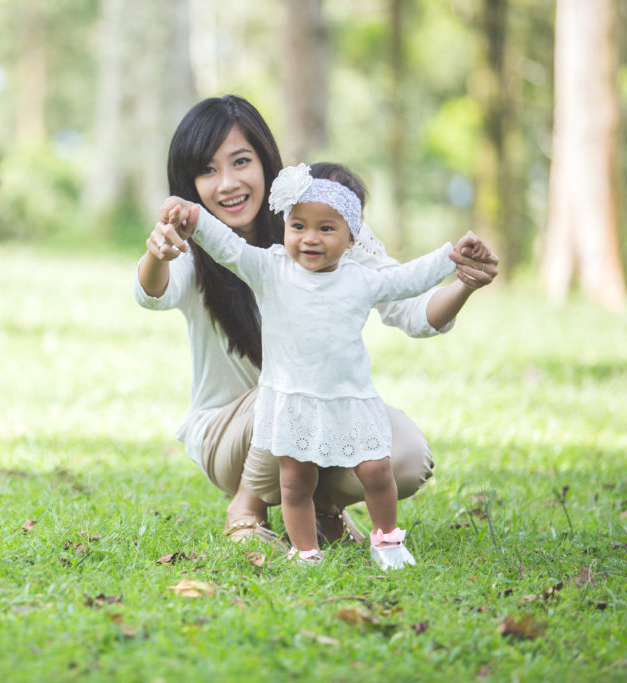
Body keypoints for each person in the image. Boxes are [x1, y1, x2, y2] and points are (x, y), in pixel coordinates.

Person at [134, 95, 498, 549]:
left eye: (240, 161)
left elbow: (413, 311)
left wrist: (463, 282)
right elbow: (154, 293)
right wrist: (158, 253)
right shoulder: (197, 244)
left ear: (267, 163)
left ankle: (321, 509)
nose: (226, 183)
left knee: (403, 455)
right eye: (207, 171)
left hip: (315, 408)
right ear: (191, 182)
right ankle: (246, 504)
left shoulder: (331, 225)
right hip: (230, 432)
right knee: (289, 390)